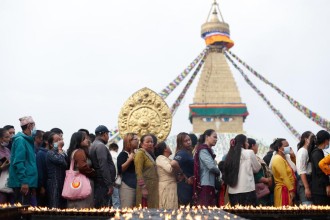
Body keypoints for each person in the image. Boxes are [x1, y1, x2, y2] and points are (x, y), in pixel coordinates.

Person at [8, 116, 38, 206]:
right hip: (22, 183)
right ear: (29, 126)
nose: (35, 127)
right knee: (21, 211)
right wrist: (24, 182)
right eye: (33, 125)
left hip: (28, 182)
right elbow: (19, 162)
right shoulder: (20, 140)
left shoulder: (28, 141)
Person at [224, 134, 260, 206]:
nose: (248, 144)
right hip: (247, 190)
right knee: (250, 215)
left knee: (237, 216)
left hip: (232, 192)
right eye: (246, 141)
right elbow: (257, 168)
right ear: (242, 143)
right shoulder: (249, 152)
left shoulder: (229, 155)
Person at [66, 131, 96, 208]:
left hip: (75, 184)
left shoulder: (73, 151)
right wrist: (93, 172)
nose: (87, 140)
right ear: (79, 141)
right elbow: (82, 167)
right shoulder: (80, 152)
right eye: (84, 139)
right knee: (84, 207)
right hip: (83, 182)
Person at [89, 125, 116, 208]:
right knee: (104, 209)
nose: (108, 137)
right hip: (103, 183)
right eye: (108, 135)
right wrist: (109, 185)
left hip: (100, 181)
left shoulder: (94, 145)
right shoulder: (100, 146)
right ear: (104, 134)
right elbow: (103, 166)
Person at [193, 129, 221, 207]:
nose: (216, 139)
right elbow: (211, 167)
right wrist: (220, 173)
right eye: (214, 137)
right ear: (207, 137)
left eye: (216, 138)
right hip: (205, 183)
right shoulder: (203, 150)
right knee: (205, 210)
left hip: (209, 183)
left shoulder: (208, 150)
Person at [134, 134, 159, 208]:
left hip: (153, 186)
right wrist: (143, 188)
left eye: (151, 142)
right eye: (147, 142)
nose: (150, 144)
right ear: (141, 144)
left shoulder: (149, 154)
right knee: (145, 210)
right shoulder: (140, 154)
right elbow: (138, 172)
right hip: (145, 186)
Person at [271, 138, 296, 206]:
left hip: (288, 189)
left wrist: (293, 157)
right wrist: (291, 190)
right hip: (284, 191)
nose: (288, 147)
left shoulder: (284, 157)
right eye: (286, 146)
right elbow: (284, 176)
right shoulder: (278, 159)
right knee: (285, 214)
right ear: (279, 148)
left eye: (288, 145)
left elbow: (297, 167)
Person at [171, 132, 194, 206]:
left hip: (189, 184)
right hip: (185, 185)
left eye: (189, 140)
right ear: (181, 143)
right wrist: (182, 173)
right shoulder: (182, 153)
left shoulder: (188, 152)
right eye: (185, 141)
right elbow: (173, 163)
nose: (188, 142)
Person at [248, 138, 272, 206]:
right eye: (256, 145)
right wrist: (267, 180)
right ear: (253, 146)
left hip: (261, 187)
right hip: (259, 189)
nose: (257, 147)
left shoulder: (255, 157)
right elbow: (254, 173)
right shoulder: (251, 156)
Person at [46, 132, 67, 208]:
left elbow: (66, 163)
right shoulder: (50, 153)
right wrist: (60, 149)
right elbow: (60, 161)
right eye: (57, 141)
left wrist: (61, 151)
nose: (59, 142)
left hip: (63, 183)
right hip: (54, 183)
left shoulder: (63, 153)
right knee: (55, 206)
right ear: (51, 144)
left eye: (60, 140)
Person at [117, 133, 139, 208]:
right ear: (129, 141)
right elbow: (120, 169)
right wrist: (129, 160)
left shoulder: (136, 153)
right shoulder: (123, 154)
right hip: (127, 186)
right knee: (127, 210)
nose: (138, 141)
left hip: (136, 185)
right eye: (136, 139)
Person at [155, 141, 178, 209]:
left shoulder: (168, 159)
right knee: (167, 208)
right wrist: (175, 164)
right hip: (166, 186)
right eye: (168, 145)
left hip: (171, 186)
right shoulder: (160, 158)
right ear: (165, 149)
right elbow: (169, 169)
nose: (169, 147)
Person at [310, 130, 330, 205]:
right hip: (320, 190)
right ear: (326, 140)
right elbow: (320, 172)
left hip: (320, 188)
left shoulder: (319, 152)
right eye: (328, 140)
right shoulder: (317, 153)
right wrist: (327, 185)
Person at [296, 131, 315, 205]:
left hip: (307, 181)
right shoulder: (303, 151)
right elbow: (302, 171)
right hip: (304, 183)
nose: (314, 140)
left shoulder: (307, 151)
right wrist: (306, 188)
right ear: (306, 139)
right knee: (308, 206)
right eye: (312, 138)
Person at [36, 131, 51, 207]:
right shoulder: (41, 153)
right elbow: (40, 171)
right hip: (44, 186)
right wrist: (41, 186)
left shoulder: (54, 153)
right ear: (46, 141)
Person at [0, 128, 14, 204]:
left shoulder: (7, 150)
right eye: (6, 137)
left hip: (8, 182)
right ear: (1, 138)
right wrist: (2, 167)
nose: (9, 139)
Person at [109, 142, 120, 208]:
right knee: (116, 197)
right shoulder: (117, 155)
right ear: (116, 149)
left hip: (107, 179)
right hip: (115, 179)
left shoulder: (107, 155)